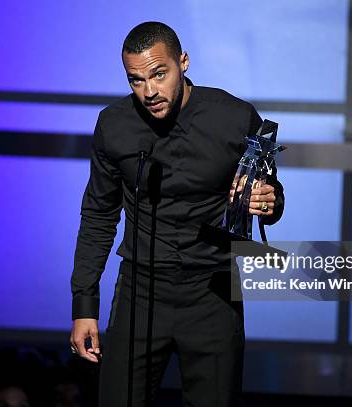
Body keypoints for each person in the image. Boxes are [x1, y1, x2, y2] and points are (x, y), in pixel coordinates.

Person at [69, 21, 285, 407]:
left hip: (212, 291)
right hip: (140, 288)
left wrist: (268, 203)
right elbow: (99, 213)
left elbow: (270, 196)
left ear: (183, 62)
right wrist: (84, 306)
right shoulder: (114, 125)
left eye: (158, 74)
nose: (149, 91)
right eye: (136, 80)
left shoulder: (234, 117)